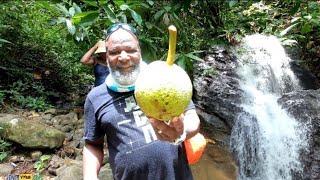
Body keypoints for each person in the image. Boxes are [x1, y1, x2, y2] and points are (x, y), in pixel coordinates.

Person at [82, 23, 200, 180]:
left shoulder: (164, 80)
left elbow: (192, 116)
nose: (124, 57)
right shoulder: (95, 98)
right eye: (115, 52)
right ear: (106, 58)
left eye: (130, 50)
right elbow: (92, 144)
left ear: (140, 52)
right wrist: (89, 176)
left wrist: (183, 131)